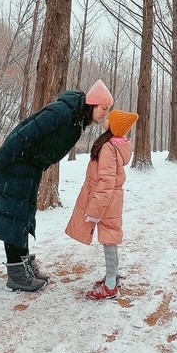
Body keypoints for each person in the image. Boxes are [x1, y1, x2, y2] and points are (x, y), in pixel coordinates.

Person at [0, 79, 114, 292]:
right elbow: (22, 135)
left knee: (25, 217)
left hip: (29, 170)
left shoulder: (76, 119)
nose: (104, 113)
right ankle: (17, 275)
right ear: (93, 103)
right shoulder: (61, 113)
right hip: (16, 166)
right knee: (14, 218)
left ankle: (23, 265)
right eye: (103, 108)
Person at [65, 108, 138, 300]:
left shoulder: (108, 147)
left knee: (108, 239)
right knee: (110, 237)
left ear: (113, 126)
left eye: (109, 119)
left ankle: (111, 284)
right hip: (112, 199)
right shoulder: (115, 145)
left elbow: (105, 180)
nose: (105, 119)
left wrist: (95, 209)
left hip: (106, 201)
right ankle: (111, 276)